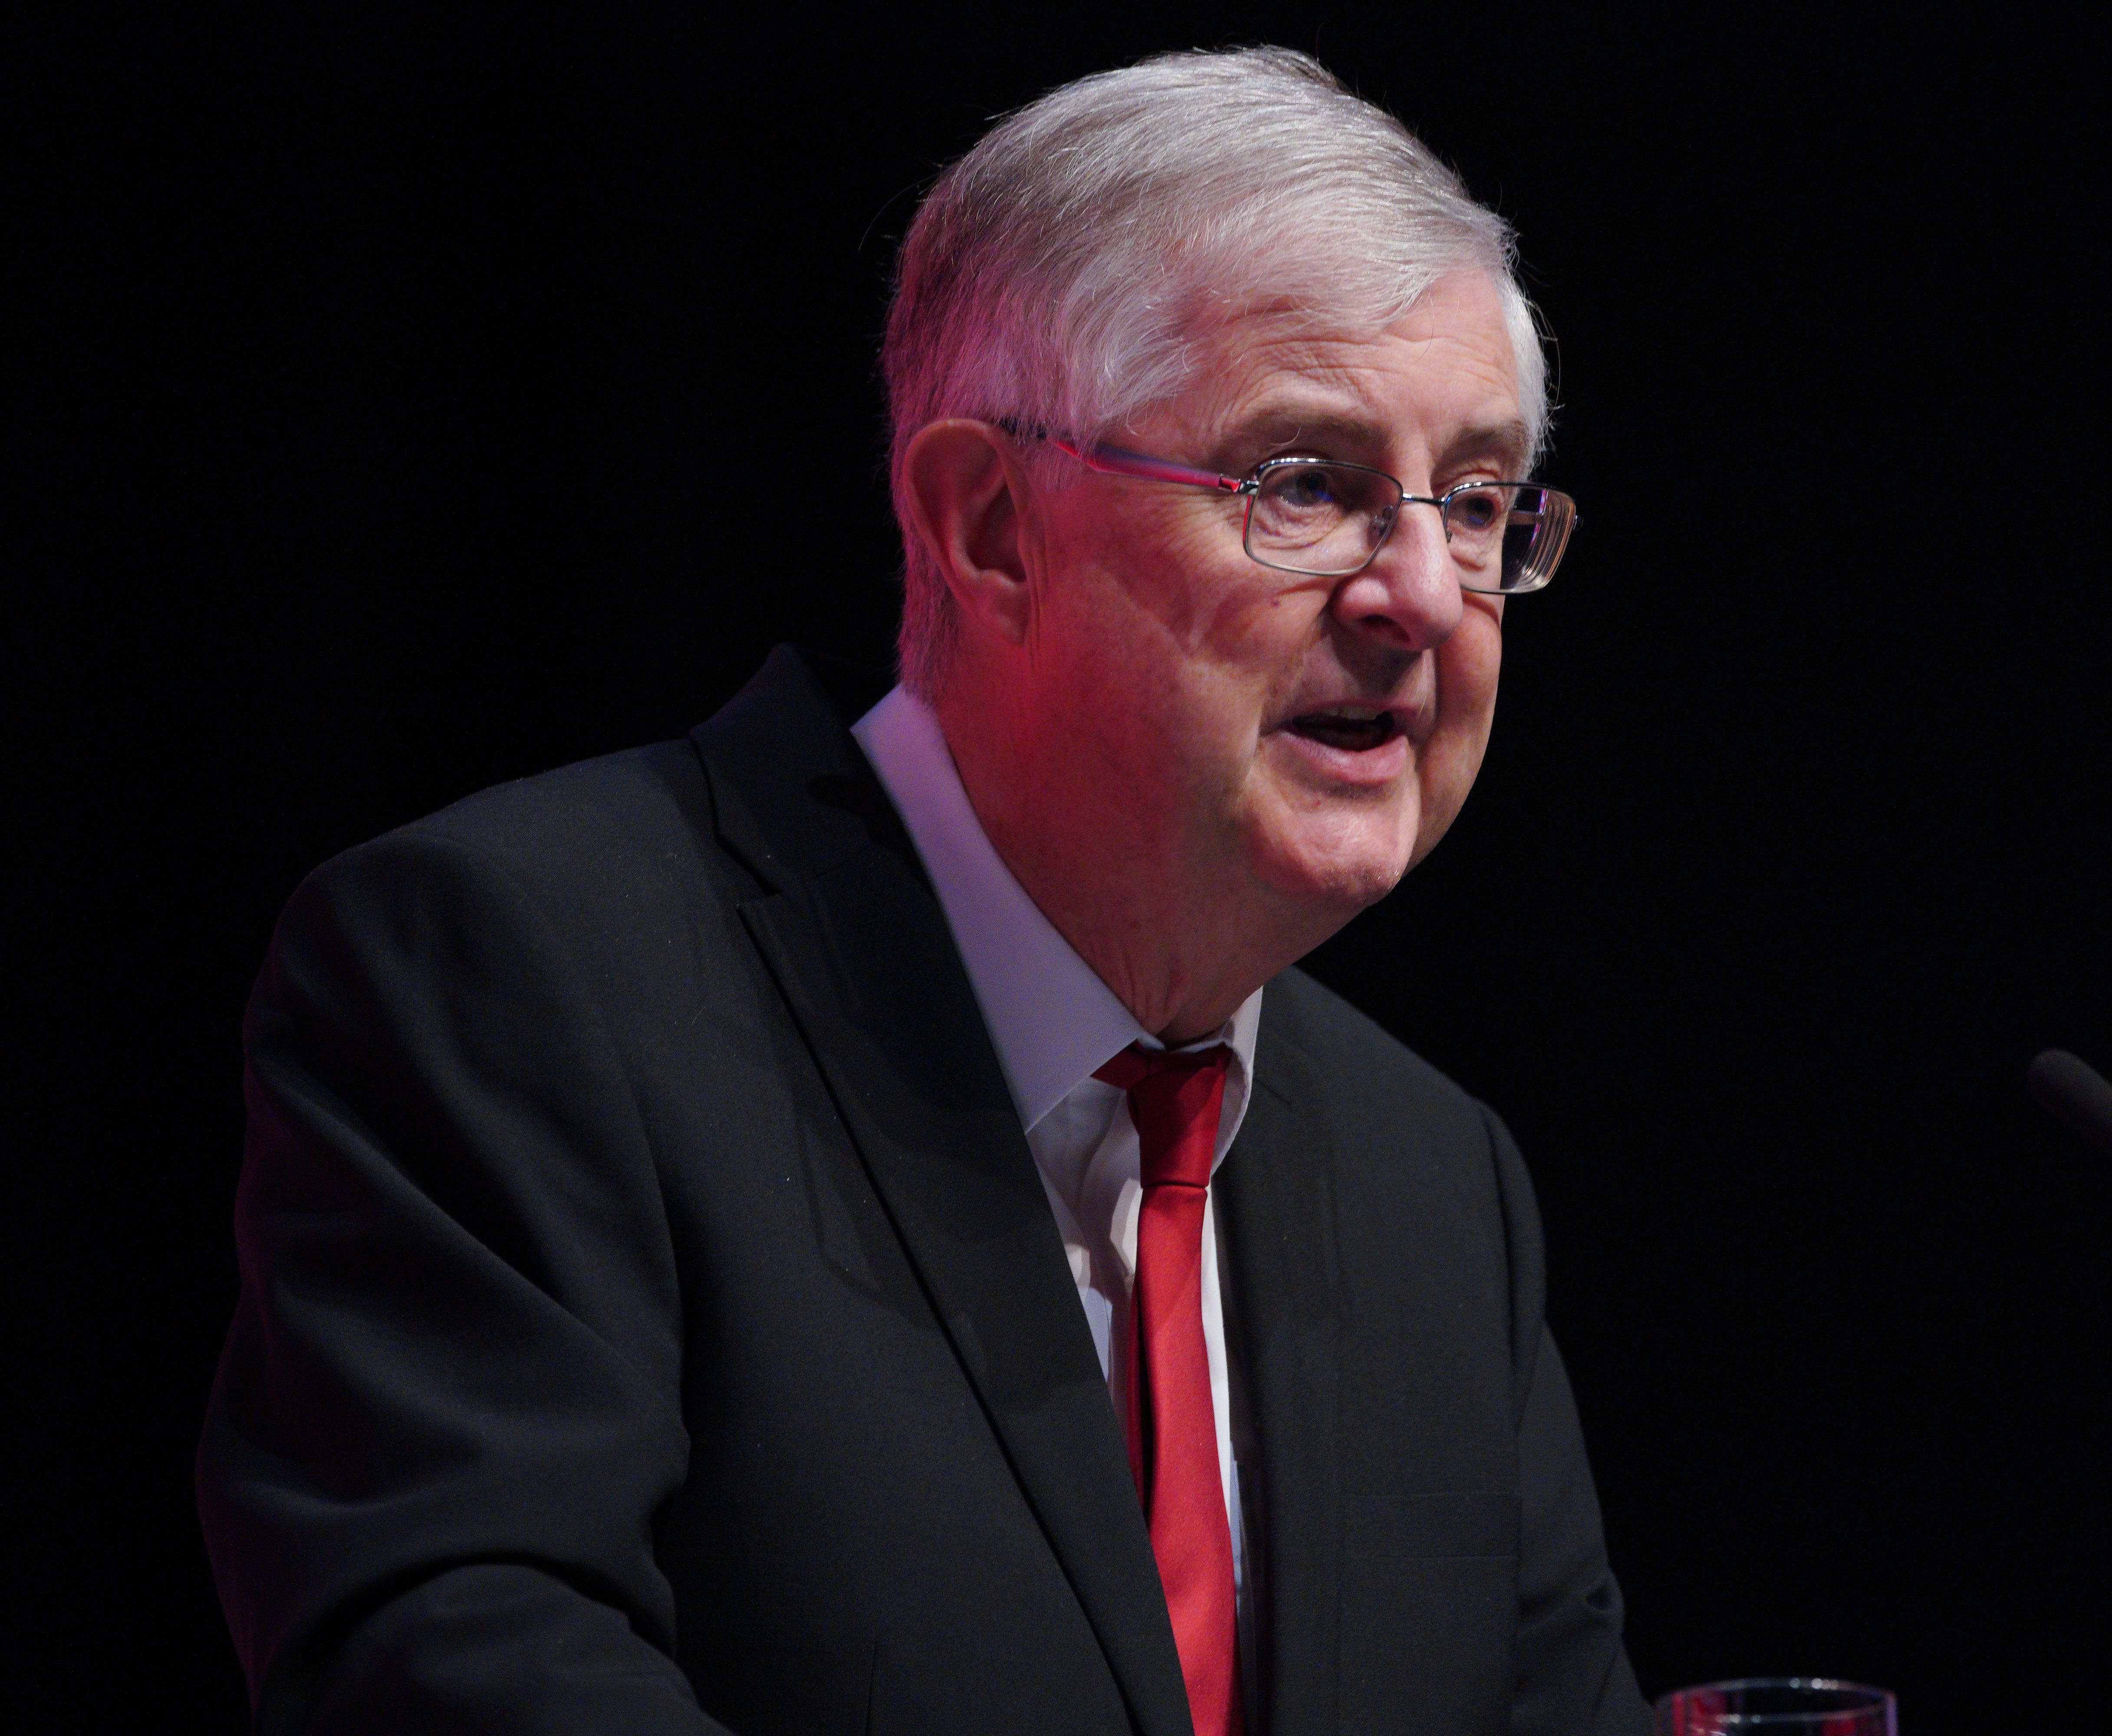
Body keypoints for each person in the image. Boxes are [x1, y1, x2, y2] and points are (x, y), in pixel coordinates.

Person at [198, 46, 1638, 1736]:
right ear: (988, 523)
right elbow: (459, 1677)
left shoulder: (1436, 1182)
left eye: (1473, 502)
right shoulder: (521, 980)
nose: (1419, 591)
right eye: (1304, 482)